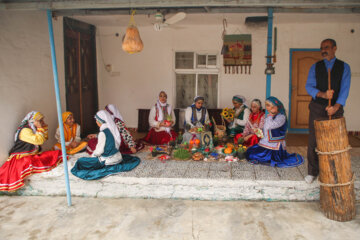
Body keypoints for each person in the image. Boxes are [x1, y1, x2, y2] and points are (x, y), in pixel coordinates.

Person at [304, 38, 351, 184]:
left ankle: (334, 170)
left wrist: (336, 106)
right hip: (318, 107)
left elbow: (344, 89)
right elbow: (309, 87)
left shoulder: (344, 67)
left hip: (335, 108)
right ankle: (312, 172)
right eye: (322, 48)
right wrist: (323, 94)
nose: (323, 50)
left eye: (327, 47)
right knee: (314, 140)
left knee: (335, 141)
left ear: (334, 48)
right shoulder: (315, 67)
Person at [0, 111, 63, 192]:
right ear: (33, 121)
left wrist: (43, 127)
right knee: (32, 161)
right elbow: (39, 141)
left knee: (56, 154)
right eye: (40, 121)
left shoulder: (32, 129)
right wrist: (40, 128)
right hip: (21, 158)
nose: (42, 122)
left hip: (30, 155)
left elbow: (44, 138)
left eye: (42, 120)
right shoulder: (25, 131)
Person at [71, 110, 140, 180]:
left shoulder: (102, 133)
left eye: (96, 120)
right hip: (118, 157)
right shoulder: (110, 129)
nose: (96, 122)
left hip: (108, 161)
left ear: (100, 121)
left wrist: (92, 156)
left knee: (81, 161)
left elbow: (99, 151)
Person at [245, 97, 304, 168]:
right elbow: (266, 130)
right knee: (249, 151)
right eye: (266, 105)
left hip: (275, 147)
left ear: (275, 106)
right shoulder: (270, 116)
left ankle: (269, 161)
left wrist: (271, 114)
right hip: (266, 143)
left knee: (252, 155)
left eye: (268, 105)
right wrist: (258, 131)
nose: (267, 108)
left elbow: (269, 126)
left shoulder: (281, 117)